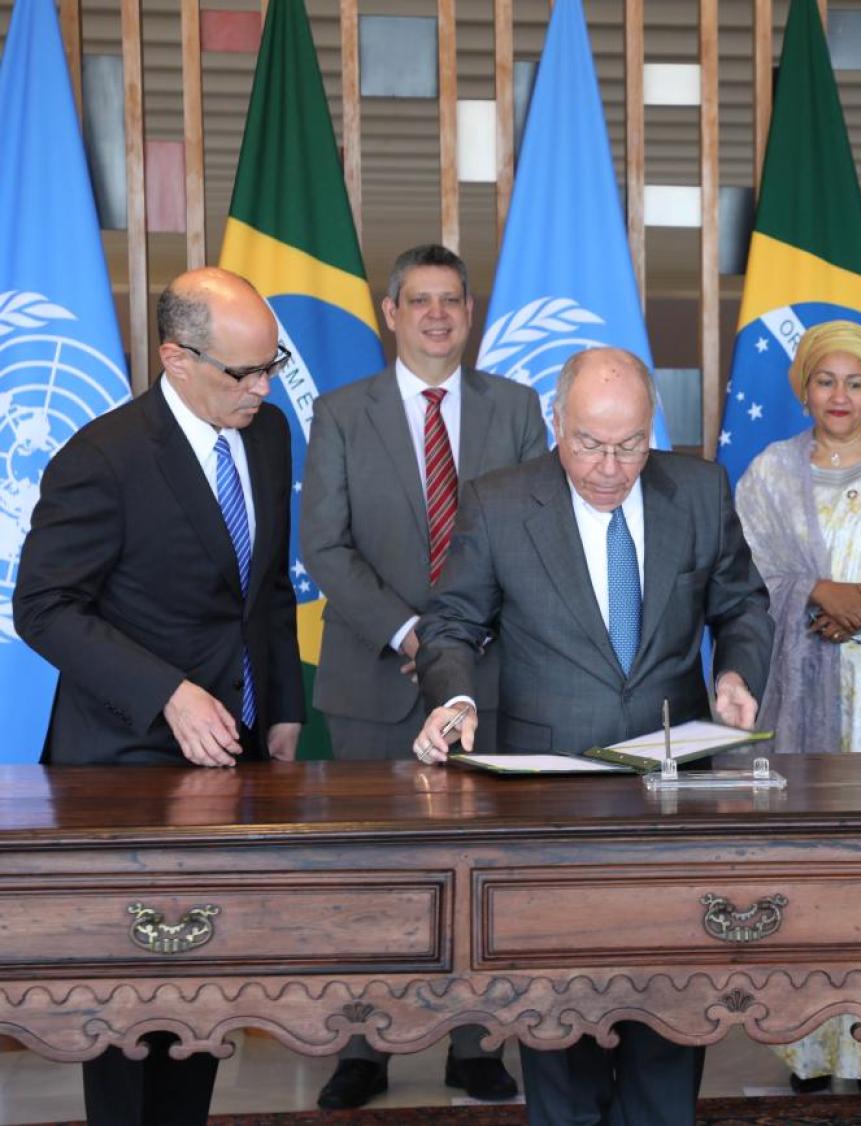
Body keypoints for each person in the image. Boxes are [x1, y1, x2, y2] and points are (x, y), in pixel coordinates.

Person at [410, 345, 774, 1126]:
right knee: (559, 1011)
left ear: (653, 430)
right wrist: (458, 699)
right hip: (550, 801)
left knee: (671, 1007)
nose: (611, 466)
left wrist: (739, 676)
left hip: (674, 788)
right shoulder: (500, 502)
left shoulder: (700, 489)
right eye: (589, 444)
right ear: (555, 424)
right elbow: (452, 624)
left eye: (631, 445)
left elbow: (741, 605)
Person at [14, 266, 305, 1125]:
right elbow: (43, 607)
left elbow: (267, 589)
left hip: (236, 756)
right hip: (124, 762)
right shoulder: (102, 457)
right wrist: (167, 693)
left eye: (271, 366)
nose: (261, 389)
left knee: (204, 1003)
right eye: (242, 373)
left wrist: (281, 705)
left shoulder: (269, 433)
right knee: (131, 1013)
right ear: (176, 358)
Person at [300, 244, 543, 1107]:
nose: (437, 315)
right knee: (372, 868)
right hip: (372, 679)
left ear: (470, 314)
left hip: (490, 674)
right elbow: (323, 544)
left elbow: (535, 536)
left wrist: (456, 642)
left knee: (479, 866)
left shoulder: (516, 409)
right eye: (420, 301)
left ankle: (473, 1044)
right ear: (389, 313)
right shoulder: (339, 412)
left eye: (452, 301)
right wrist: (410, 632)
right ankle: (362, 1046)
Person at [734, 320, 861, 1093]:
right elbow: (747, 578)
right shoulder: (768, 473)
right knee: (806, 864)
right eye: (827, 380)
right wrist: (813, 594)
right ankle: (808, 1045)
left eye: (856, 382)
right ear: (804, 386)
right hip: (800, 707)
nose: (841, 396)